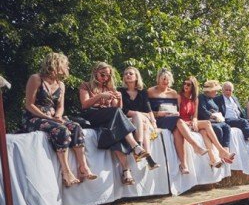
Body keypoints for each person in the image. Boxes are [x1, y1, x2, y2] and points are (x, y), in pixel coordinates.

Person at [22, 52, 96, 187]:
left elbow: (60, 107)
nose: (68, 67)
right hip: (34, 117)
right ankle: (66, 172)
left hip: (52, 117)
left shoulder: (61, 84)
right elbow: (29, 104)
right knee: (61, 130)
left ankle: (83, 167)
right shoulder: (36, 79)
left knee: (76, 127)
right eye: (65, 64)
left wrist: (57, 116)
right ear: (56, 64)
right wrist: (48, 118)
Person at [79, 62, 156, 185]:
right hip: (92, 116)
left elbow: (118, 109)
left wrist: (119, 99)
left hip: (108, 118)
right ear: (95, 73)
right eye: (102, 74)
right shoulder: (86, 85)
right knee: (115, 119)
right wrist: (100, 96)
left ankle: (126, 172)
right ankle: (135, 146)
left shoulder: (109, 88)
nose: (105, 78)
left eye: (108, 76)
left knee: (115, 134)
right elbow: (85, 104)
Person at [147, 69, 208, 174]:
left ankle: (183, 165)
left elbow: (177, 109)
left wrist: (176, 113)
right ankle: (195, 146)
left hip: (172, 118)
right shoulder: (150, 91)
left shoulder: (173, 93)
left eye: (167, 79)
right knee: (179, 121)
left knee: (178, 132)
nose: (165, 81)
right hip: (157, 119)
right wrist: (158, 113)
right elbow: (145, 110)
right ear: (158, 79)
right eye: (163, 79)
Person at [178, 77, 235, 169]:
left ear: (193, 86)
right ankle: (221, 150)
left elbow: (195, 116)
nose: (185, 86)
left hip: (191, 122)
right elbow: (177, 114)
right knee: (208, 124)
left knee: (204, 132)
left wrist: (194, 121)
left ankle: (213, 158)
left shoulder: (195, 99)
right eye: (184, 83)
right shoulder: (179, 96)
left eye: (188, 84)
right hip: (181, 122)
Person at [119, 66, 159, 170]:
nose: (127, 75)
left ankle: (141, 152)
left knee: (144, 124)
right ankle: (146, 155)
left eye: (131, 73)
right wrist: (139, 114)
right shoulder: (120, 91)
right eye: (126, 74)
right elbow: (122, 110)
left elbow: (148, 109)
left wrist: (154, 122)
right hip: (126, 120)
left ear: (136, 77)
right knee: (139, 118)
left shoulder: (142, 92)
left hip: (140, 121)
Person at [197, 80, 232, 153]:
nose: (216, 92)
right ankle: (220, 151)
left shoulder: (212, 99)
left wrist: (218, 115)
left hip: (216, 121)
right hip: (207, 121)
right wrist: (213, 115)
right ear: (210, 91)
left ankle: (226, 148)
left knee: (227, 127)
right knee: (217, 129)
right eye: (215, 91)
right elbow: (202, 110)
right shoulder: (201, 97)